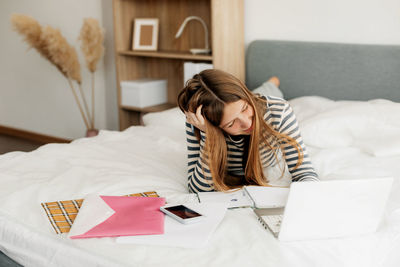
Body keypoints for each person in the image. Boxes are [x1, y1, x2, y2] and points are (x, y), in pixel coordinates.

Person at [177, 69, 319, 193]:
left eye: (244, 108)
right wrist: (209, 136)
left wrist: (309, 195)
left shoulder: (278, 111)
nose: (247, 123)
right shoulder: (199, 123)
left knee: (266, 91)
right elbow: (198, 189)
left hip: (258, 101)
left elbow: (304, 172)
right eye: (231, 123)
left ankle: (272, 83)